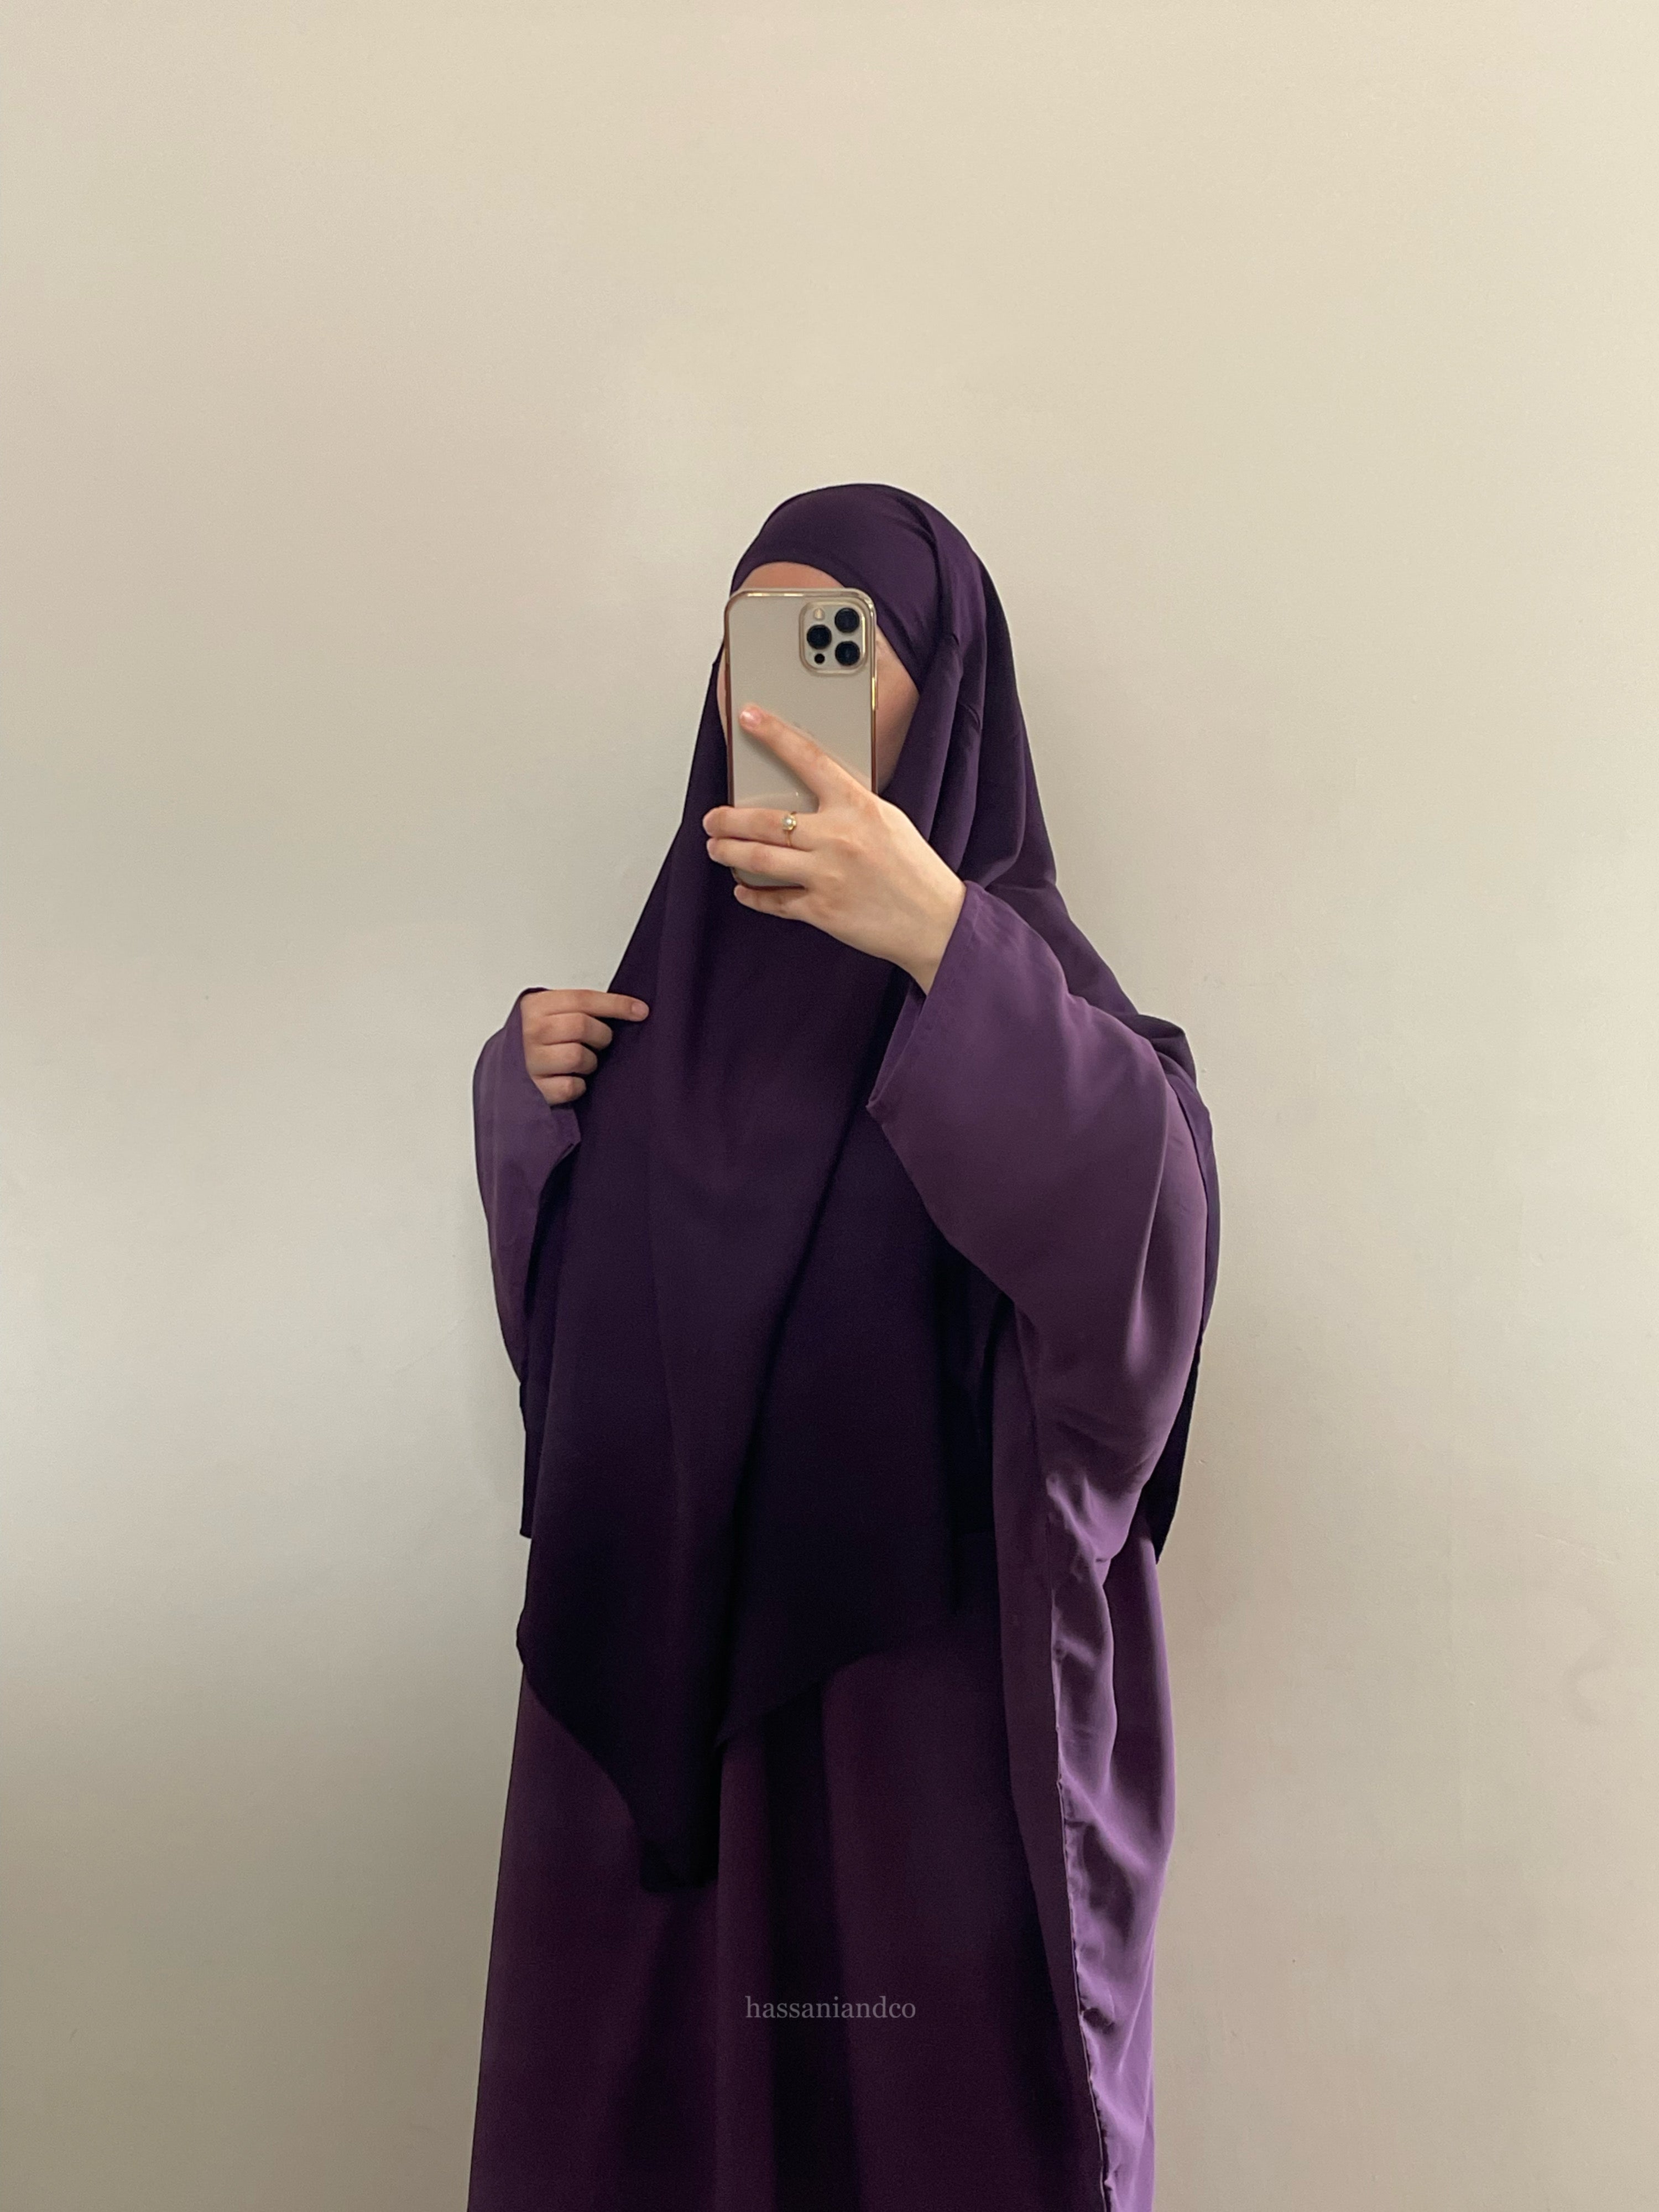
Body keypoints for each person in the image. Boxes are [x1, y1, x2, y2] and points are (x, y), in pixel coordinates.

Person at [466, 483, 1219, 2212]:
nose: (779, 687)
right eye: (756, 639)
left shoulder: (1020, 971)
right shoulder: (653, 1010)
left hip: (917, 1736)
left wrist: (943, 942)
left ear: (942, 696)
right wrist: (530, 1105)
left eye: (840, 642)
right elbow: (577, 1364)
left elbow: (1146, 1267)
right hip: (664, 1728)